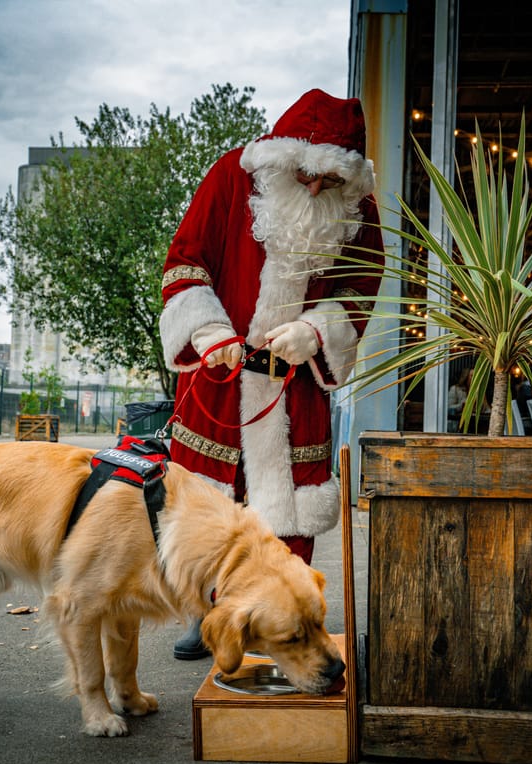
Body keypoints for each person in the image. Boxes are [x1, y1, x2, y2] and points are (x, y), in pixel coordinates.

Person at [158, 89, 385, 659]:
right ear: (283, 157)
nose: (316, 188)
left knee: (290, 508)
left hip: (295, 383)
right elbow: (185, 261)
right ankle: (207, 613)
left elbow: (362, 289)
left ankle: (288, 616)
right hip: (220, 373)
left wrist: (315, 331)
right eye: (306, 174)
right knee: (208, 506)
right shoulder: (230, 177)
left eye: (330, 180)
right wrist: (209, 333)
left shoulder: (361, 209)